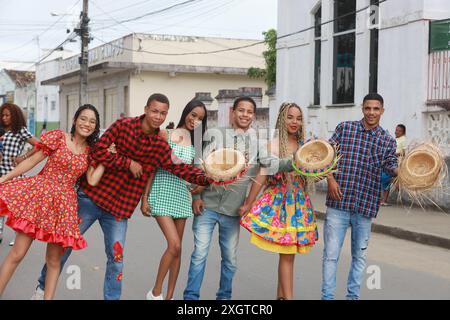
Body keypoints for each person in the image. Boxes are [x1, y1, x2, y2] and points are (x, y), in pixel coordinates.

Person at [32, 93, 210, 300]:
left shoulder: (160, 146)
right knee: (64, 246)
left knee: (116, 259)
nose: (158, 116)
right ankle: (41, 289)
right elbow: (97, 151)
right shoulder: (122, 125)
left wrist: (211, 178)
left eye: (163, 113)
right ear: (145, 109)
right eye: (154, 111)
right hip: (91, 199)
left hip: (119, 210)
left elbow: (181, 169)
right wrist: (128, 163)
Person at [183, 96, 293, 300]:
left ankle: (224, 298)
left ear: (253, 115)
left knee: (230, 259)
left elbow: (271, 163)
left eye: (249, 111)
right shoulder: (215, 135)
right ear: (232, 112)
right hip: (206, 205)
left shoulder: (257, 143)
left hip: (233, 212)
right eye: (241, 110)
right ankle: (190, 298)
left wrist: (295, 162)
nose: (245, 115)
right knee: (199, 255)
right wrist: (196, 196)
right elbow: (199, 164)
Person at [0, 104, 101, 300]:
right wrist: (5, 178)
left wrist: (105, 161)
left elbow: (92, 180)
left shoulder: (91, 152)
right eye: (83, 118)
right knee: (17, 253)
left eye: (92, 121)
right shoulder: (58, 137)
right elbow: (32, 161)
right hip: (40, 195)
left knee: (54, 261)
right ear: (74, 120)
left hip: (64, 207)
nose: (86, 124)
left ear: (95, 127)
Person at [322, 93, 398, 300]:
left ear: (382, 111)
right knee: (330, 256)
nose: (371, 112)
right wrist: (330, 179)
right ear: (362, 109)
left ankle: (352, 297)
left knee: (359, 258)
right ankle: (327, 297)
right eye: (368, 108)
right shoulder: (345, 128)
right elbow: (326, 154)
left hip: (365, 206)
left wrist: (404, 172)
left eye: (376, 109)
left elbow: (392, 166)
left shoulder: (388, 141)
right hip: (338, 202)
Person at [239, 102, 318, 300]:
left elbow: (313, 174)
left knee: (289, 255)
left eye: (299, 118)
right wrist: (249, 202)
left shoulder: (305, 146)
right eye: (290, 117)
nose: (294, 121)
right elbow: (261, 175)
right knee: (287, 254)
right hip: (279, 205)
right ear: (282, 119)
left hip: (299, 204)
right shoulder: (272, 146)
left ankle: (281, 297)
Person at [142, 100, 207, 300]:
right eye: (193, 115)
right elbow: (151, 168)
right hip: (161, 193)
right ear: (186, 112)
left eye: (200, 119)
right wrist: (145, 198)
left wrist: (202, 186)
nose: (195, 121)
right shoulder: (165, 134)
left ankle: (169, 297)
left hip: (181, 196)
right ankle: (155, 293)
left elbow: (198, 174)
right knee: (175, 245)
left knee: (177, 250)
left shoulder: (197, 144)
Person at [0, 103, 39, 246]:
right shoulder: (0, 131)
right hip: (0, 174)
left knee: (14, 209)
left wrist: (22, 157)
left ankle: (18, 236)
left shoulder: (20, 131)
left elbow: (38, 145)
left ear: (14, 115)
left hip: (13, 176)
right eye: (2, 115)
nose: (4, 118)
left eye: (7, 115)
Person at [381, 124, 407, 206]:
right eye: (396, 130)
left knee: (385, 178)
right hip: (389, 162)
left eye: (399, 131)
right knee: (385, 180)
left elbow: (403, 152)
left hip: (395, 163)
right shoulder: (394, 139)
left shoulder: (403, 139)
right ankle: (384, 200)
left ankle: (396, 182)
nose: (397, 132)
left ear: (403, 132)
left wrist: (394, 154)